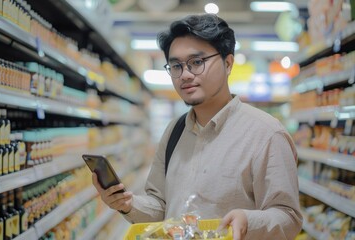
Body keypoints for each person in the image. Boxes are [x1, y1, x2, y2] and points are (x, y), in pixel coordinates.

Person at [92, 13, 303, 240]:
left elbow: (288, 217)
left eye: (197, 62)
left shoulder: (267, 134)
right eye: (176, 66)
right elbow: (161, 205)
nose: (185, 75)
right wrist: (128, 204)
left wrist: (248, 221)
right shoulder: (174, 132)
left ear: (228, 63)